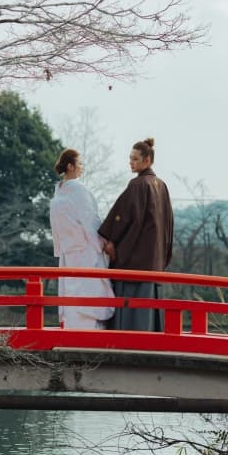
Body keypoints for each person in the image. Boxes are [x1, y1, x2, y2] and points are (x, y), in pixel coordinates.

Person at [98, 138, 173, 331]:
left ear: (147, 161)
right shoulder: (161, 185)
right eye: (130, 158)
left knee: (129, 305)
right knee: (148, 305)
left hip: (134, 260)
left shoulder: (137, 185)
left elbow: (122, 217)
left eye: (135, 159)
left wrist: (112, 241)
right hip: (153, 261)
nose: (130, 162)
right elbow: (168, 225)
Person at [49, 149, 115, 329]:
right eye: (80, 164)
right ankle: (89, 332)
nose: (82, 168)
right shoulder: (79, 190)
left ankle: (72, 330)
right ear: (70, 166)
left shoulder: (59, 193)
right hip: (85, 250)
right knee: (89, 290)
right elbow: (90, 221)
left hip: (68, 251)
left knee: (71, 290)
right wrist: (102, 244)